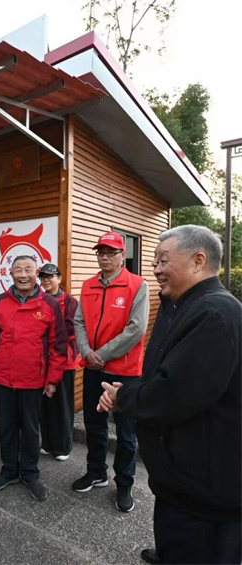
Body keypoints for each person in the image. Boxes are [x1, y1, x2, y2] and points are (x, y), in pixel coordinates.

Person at [98, 225, 241, 565]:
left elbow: (174, 393)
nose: (156, 269)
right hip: (186, 483)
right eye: (154, 261)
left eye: (163, 261)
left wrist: (123, 397)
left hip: (205, 493)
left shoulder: (214, 315)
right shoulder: (188, 305)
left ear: (198, 261)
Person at [73, 231, 149, 513]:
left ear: (122, 255)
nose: (104, 257)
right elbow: (79, 322)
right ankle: (96, 472)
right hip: (93, 368)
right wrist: (86, 353)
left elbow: (136, 329)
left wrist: (101, 355)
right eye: (101, 253)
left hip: (124, 371)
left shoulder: (137, 285)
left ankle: (124, 483)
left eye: (111, 253)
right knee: (94, 424)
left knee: (126, 432)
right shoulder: (88, 285)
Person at [0, 255, 67, 501]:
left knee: (30, 429)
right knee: (7, 429)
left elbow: (58, 345)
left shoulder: (49, 304)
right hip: (4, 379)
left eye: (28, 269)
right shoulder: (0, 302)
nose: (23, 275)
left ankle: (30, 473)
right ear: (10, 274)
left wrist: (52, 380)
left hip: (33, 379)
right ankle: (9, 471)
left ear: (36, 273)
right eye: (18, 270)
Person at [38, 263, 78, 461]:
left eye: (50, 277)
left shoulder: (70, 302)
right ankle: (47, 443)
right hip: (42, 360)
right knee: (44, 404)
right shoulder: (39, 299)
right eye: (43, 277)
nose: (46, 280)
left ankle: (62, 447)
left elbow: (70, 329)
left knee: (62, 405)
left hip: (64, 360)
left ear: (59, 279)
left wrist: (47, 336)